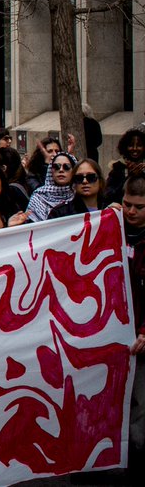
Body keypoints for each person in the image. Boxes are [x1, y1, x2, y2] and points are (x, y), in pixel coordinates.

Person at [119, 177, 145, 470]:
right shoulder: (111, 229)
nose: (131, 212)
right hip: (113, 333)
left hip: (139, 336)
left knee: (140, 404)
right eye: (127, 204)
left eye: (139, 207)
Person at [27, 152, 77, 222]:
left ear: (74, 171)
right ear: (51, 170)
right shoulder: (38, 196)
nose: (61, 170)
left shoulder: (79, 196)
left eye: (66, 167)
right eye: (56, 166)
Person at [105, 128, 145, 204]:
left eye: (139, 145)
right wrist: (129, 177)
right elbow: (108, 196)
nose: (135, 149)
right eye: (130, 145)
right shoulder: (118, 168)